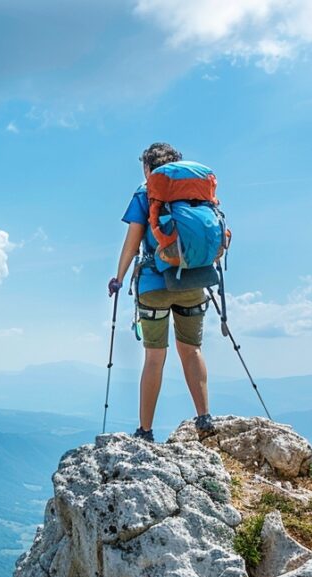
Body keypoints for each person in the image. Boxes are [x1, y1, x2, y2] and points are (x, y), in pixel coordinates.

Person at [109, 142, 214, 442]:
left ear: (147, 167)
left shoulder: (145, 193)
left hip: (155, 285)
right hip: (193, 282)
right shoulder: (195, 194)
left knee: (155, 357)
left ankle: (145, 431)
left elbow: (132, 244)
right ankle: (204, 418)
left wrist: (118, 279)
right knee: (191, 350)